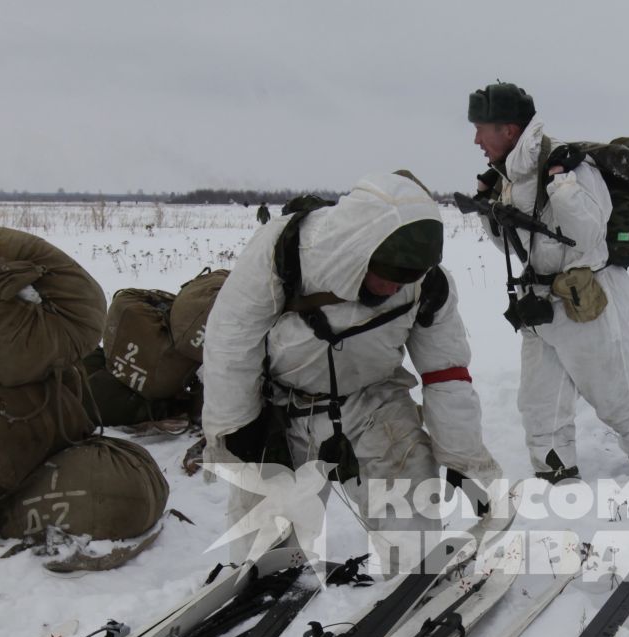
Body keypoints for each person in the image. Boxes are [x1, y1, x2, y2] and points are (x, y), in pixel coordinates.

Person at [201, 171, 504, 554]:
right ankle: (263, 569)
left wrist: (465, 460)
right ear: (361, 251)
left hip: (374, 404)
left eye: (410, 277)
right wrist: (237, 425)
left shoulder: (428, 288)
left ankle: (411, 572)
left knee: (412, 529)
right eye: (390, 276)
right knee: (263, 548)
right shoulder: (284, 251)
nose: (397, 288)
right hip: (282, 410)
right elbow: (231, 339)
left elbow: (446, 374)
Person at [467, 81, 629, 482]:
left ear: (507, 130)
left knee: (615, 396)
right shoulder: (512, 173)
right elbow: (520, 248)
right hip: (539, 306)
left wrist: (562, 183)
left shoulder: (569, 165)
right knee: (540, 404)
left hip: (585, 304)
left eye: (481, 128)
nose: (476, 139)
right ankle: (556, 479)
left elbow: (589, 232)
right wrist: (489, 211)